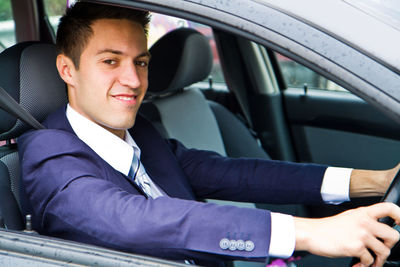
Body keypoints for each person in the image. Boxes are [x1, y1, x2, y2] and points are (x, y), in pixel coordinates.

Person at [18, 2, 400, 267]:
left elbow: (237, 174)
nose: (134, 81)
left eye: (141, 62)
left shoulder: (138, 134)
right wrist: (309, 233)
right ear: (67, 70)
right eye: (110, 61)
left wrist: (370, 182)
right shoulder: (50, 156)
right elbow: (135, 219)